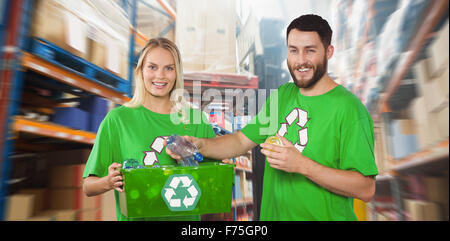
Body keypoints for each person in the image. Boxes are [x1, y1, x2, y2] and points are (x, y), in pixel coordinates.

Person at [167, 14, 378, 221]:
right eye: (293, 51)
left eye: (310, 51)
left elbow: (366, 188)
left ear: (328, 52)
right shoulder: (283, 95)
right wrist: (199, 145)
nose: (300, 60)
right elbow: (241, 140)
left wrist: (302, 165)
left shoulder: (349, 109)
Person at [82, 37, 216, 221]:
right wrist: (109, 181)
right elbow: (88, 187)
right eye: (152, 67)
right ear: (140, 71)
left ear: (177, 73)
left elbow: (215, 181)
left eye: (169, 68)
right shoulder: (118, 120)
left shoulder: (197, 120)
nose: (160, 75)